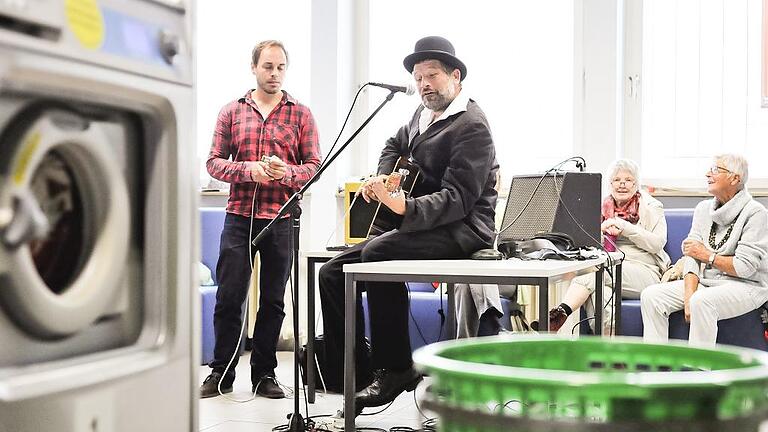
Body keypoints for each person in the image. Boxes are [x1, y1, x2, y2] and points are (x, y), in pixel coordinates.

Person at [318, 36, 499, 413]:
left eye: (431, 75)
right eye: (418, 78)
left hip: (463, 229)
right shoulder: (421, 117)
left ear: (455, 75)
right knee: (332, 274)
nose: (423, 85)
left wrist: (404, 208)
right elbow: (390, 144)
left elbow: (460, 200)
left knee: (378, 252)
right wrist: (384, 179)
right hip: (422, 224)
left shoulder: (472, 126)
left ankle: (396, 367)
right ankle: (355, 370)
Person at [200, 40, 321, 399]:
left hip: (281, 220)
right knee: (229, 297)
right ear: (253, 68)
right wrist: (249, 171)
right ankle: (221, 372)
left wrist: (285, 174)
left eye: (281, 67)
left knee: (272, 301)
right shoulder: (231, 111)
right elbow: (213, 163)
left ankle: (264, 374)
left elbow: (314, 167)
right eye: (268, 66)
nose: (275, 73)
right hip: (239, 218)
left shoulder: (301, 114)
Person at [641, 154, 768, 346]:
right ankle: (654, 367)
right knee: (652, 296)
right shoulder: (703, 209)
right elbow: (692, 255)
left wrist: (706, 255)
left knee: (702, 301)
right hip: (708, 282)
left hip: (747, 286)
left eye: (717, 170)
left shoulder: (756, 213)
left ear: (735, 178)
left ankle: (699, 372)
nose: (708, 174)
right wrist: (689, 294)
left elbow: (744, 268)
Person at [548, 159, 670, 334]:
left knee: (594, 273)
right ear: (610, 184)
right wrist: (599, 231)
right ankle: (611, 354)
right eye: (616, 180)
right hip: (611, 268)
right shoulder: (601, 208)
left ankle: (561, 312)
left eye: (628, 180)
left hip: (645, 271)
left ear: (636, 184)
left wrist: (626, 228)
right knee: (601, 295)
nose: (622, 184)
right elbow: (585, 244)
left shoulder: (652, 207)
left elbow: (657, 243)